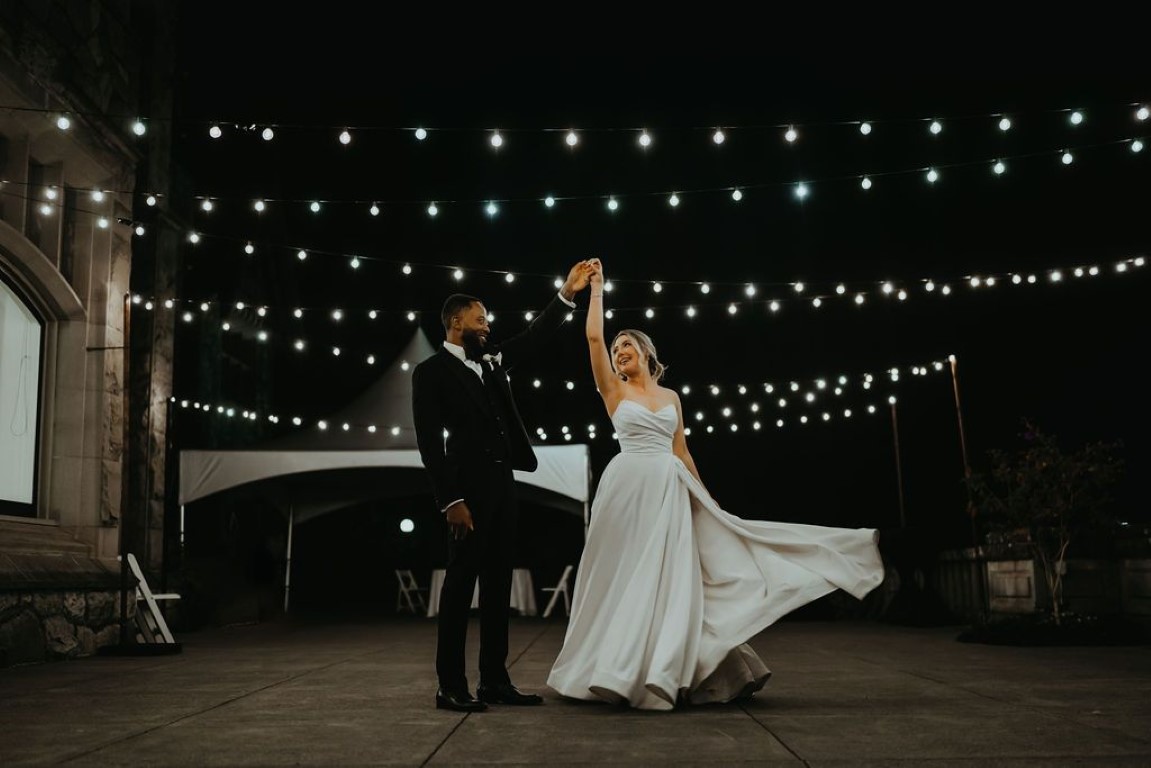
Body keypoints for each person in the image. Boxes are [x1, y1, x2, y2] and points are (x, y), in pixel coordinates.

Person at [547, 258, 886, 710]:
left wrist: (704, 494)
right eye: (615, 348)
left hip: (670, 489)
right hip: (627, 488)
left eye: (627, 344)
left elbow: (681, 450)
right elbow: (591, 336)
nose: (618, 350)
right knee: (625, 576)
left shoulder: (670, 398)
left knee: (673, 579)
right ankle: (611, 666)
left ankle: (677, 668)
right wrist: (597, 291)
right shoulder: (613, 390)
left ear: (647, 353)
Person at [412, 259, 595, 712]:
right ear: (457, 323)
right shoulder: (431, 373)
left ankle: (494, 680)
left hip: (502, 485)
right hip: (465, 490)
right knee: (459, 588)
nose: (487, 325)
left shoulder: (491, 362)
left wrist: (567, 294)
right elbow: (430, 443)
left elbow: (534, 337)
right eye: (480, 319)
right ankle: (449, 685)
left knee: (498, 585)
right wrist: (450, 499)